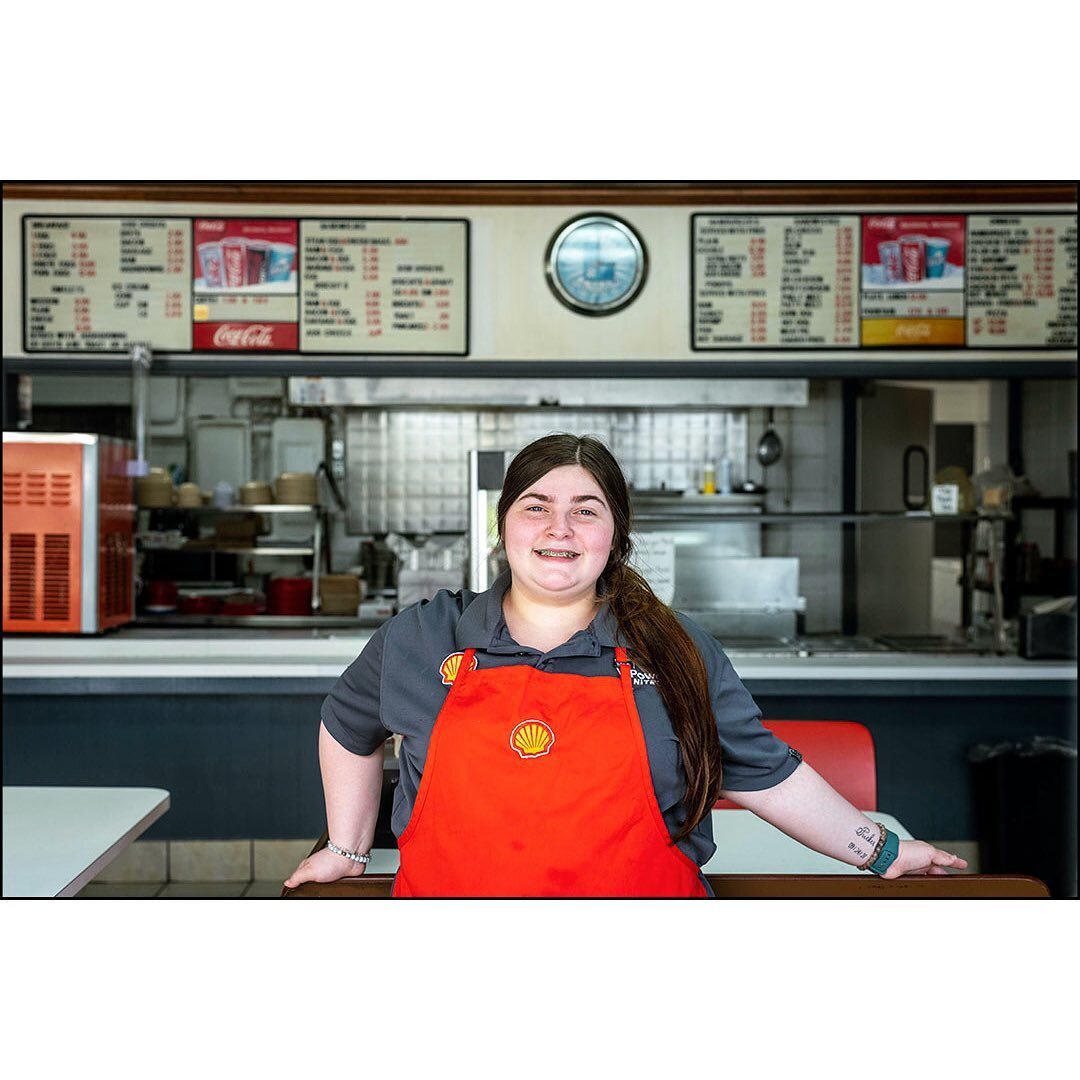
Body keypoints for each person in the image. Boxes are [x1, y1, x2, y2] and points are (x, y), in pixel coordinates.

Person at [285, 433, 967, 897]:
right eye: (536, 508)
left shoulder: (674, 647)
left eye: (586, 510)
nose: (559, 528)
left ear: (615, 536)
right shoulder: (422, 638)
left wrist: (880, 850)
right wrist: (346, 850)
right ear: (504, 525)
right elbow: (346, 724)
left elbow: (764, 772)